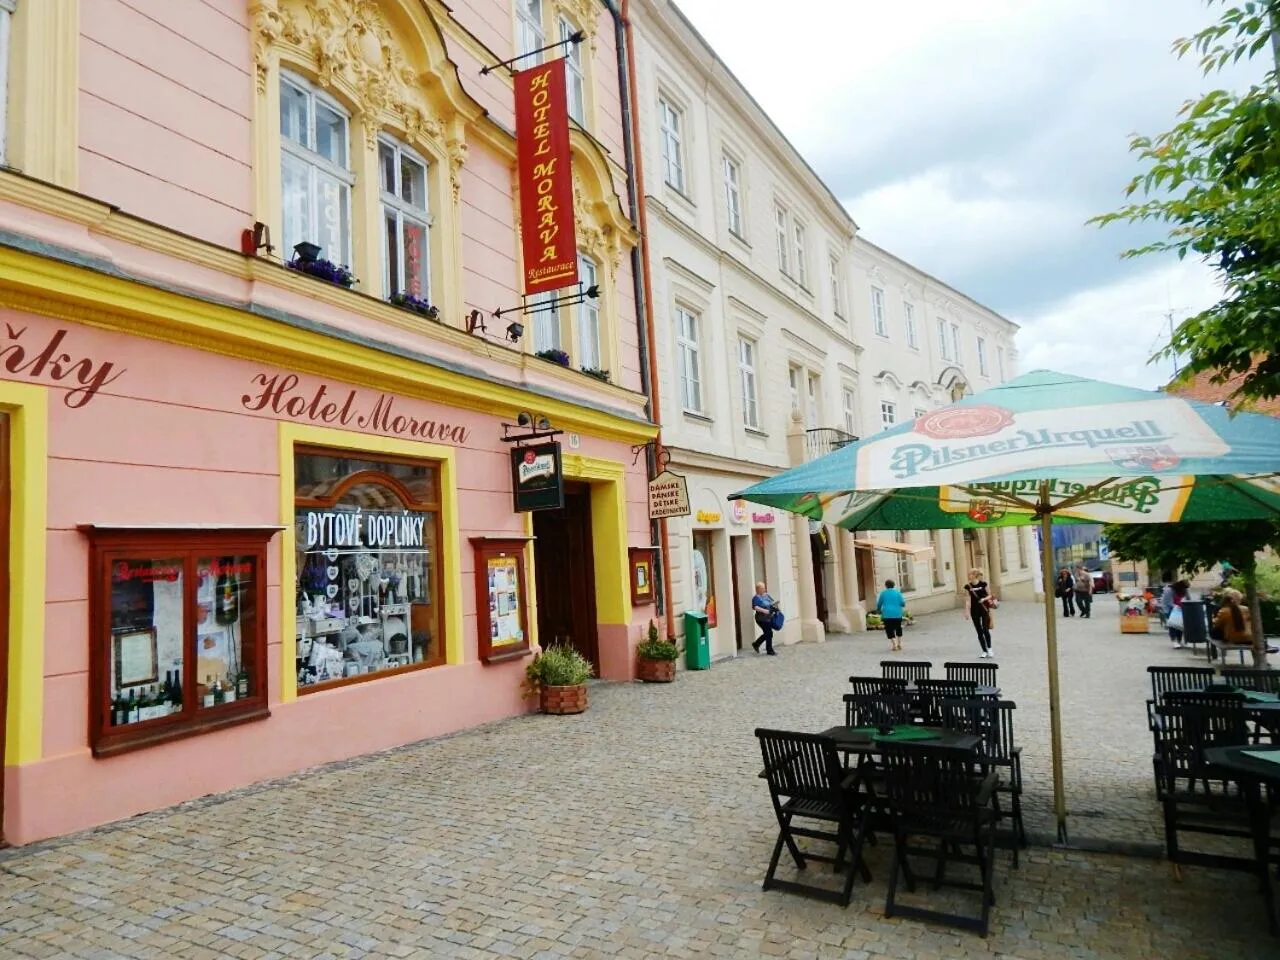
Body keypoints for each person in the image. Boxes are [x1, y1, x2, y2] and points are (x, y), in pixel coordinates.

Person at [963, 567, 997, 658]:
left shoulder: (983, 584)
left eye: (970, 574)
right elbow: (967, 600)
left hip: (984, 609)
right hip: (974, 610)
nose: (968, 575)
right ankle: (984, 651)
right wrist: (966, 611)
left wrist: (983, 599)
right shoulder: (968, 587)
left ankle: (989, 649)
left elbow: (990, 595)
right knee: (979, 631)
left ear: (974, 575)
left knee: (985, 629)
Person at [877, 578, 907, 651]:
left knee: (889, 629)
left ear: (886, 586)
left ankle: (894, 645)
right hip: (897, 614)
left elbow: (879, 604)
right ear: (893, 585)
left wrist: (879, 610)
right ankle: (899, 644)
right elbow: (903, 603)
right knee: (898, 628)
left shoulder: (883, 593)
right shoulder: (898, 593)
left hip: (887, 615)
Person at [751, 582, 779, 656]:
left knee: (768, 633)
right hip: (761, 619)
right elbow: (755, 607)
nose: (764, 589)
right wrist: (764, 611)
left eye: (764, 588)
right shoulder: (756, 597)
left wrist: (775, 607)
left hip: (769, 617)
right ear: (757, 589)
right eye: (762, 588)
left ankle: (756, 644)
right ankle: (769, 650)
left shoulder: (766, 595)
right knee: (769, 633)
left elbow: (772, 602)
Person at [1167, 580, 1189, 648]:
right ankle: (1174, 640)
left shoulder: (1185, 590)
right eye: (1184, 588)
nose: (1185, 589)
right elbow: (1169, 602)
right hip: (1172, 610)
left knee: (1180, 625)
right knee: (1173, 625)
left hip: (1181, 610)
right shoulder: (1171, 590)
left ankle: (1179, 640)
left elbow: (1188, 599)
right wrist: (1175, 606)